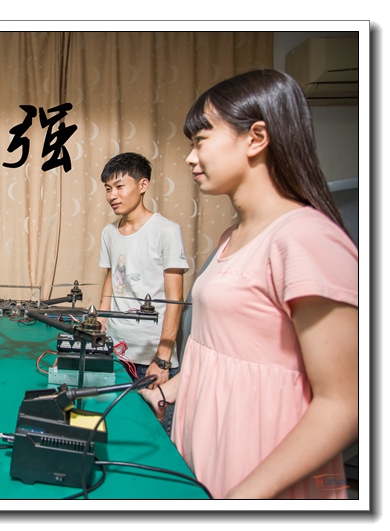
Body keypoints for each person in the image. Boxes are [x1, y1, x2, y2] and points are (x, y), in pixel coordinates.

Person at [139, 69, 358, 499]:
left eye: (201, 140)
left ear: (256, 138)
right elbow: (226, 352)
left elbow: (344, 404)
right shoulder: (231, 237)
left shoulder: (306, 237)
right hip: (207, 446)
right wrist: (166, 391)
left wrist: (243, 500)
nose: (190, 158)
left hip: (261, 471)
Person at [96, 152, 189, 435]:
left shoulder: (166, 231)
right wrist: (101, 320)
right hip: (115, 350)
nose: (112, 195)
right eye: (108, 189)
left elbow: (175, 300)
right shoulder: (109, 232)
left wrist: (162, 358)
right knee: (117, 428)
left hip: (152, 357)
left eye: (119, 186)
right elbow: (112, 278)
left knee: (154, 436)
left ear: (143, 185)